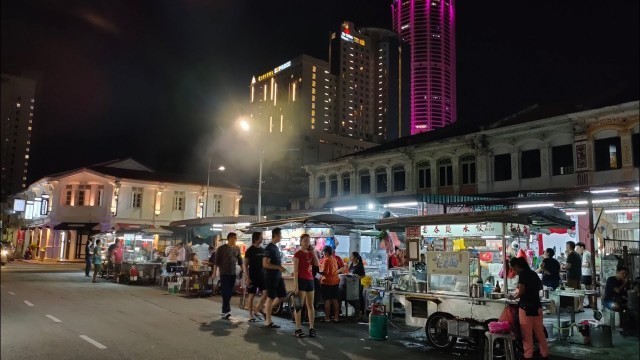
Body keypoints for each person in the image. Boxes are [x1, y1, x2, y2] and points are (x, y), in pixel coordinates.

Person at [509, 257, 548, 360]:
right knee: (540, 333)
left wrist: (514, 297)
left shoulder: (523, 274)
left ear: (517, 266)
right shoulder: (533, 273)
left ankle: (528, 356)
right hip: (537, 307)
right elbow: (540, 287)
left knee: (527, 335)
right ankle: (545, 355)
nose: (513, 271)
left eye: (513, 268)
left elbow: (521, 291)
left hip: (526, 308)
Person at [292, 234, 320, 338]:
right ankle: (298, 328)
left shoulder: (310, 254)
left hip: (310, 280)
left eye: (308, 241)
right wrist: (296, 285)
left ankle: (311, 327)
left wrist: (313, 251)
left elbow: (317, 264)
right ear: (300, 241)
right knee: (299, 306)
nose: (307, 242)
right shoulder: (297, 254)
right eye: (305, 240)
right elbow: (295, 271)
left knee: (310, 305)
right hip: (301, 280)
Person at [263, 227, 289, 329]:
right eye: (280, 235)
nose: (281, 237)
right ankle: (268, 321)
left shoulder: (275, 247)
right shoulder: (269, 248)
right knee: (271, 297)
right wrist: (278, 267)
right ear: (276, 235)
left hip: (278, 276)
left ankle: (266, 310)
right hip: (271, 276)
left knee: (282, 296)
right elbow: (265, 264)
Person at [213, 233, 243, 319]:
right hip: (224, 273)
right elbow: (216, 262)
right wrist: (214, 272)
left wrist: (243, 269)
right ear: (230, 238)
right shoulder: (221, 249)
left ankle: (225, 311)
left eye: (236, 238)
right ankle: (225, 311)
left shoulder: (237, 248)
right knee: (225, 292)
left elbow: (240, 260)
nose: (236, 240)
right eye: (235, 238)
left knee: (229, 293)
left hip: (233, 273)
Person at [243, 232, 267, 322]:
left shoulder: (263, 250)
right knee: (251, 295)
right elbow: (245, 265)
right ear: (256, 239)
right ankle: (250, 315)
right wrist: (247, 277)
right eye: (261, 237)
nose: (262, 239)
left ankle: (257, 309)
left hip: (262, 275)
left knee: (265, 293)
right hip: (252, 275)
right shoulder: (249, 251)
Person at [320, 246, 340, 323]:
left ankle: (327, 318)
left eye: (324, 252)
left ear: (326, 252)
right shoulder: (334, 259)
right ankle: (336, 317)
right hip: (335, 281)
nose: (323, 254)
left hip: (327, 282)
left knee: (327, 300)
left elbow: (325, 272)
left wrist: (318, 272)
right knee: (335, 299)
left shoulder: (327, 260)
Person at [576, 242, 593, 308]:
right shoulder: (587, 253)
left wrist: (578, 264)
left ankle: (581, 306)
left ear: (582, 247)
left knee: (583, 289)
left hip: (586, 274)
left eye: (578, 248)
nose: (577, 250)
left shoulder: (586, 254)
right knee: (589, 290)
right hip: (587, 274)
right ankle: (590, 303)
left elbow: (587, 265)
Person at [349, 252, 366, 316]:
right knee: (351, 298)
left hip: (357, 284)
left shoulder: (360, 265)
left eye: (352, 256)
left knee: (359, 297)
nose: (350, 258)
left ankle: (361, 311)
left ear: (356, 258)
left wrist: (359, 276)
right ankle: (357, 310)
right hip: (351, 284)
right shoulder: (351, 264)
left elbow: (363, 275)